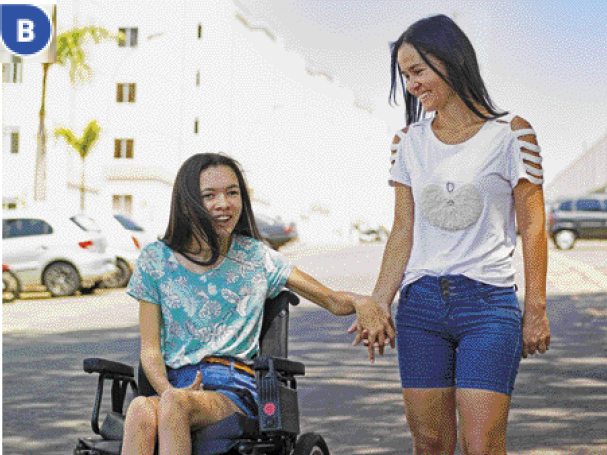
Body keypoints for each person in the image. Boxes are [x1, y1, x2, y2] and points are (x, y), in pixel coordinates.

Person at [351, 14, 550, 455]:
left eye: (417, 71)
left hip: (488, 305)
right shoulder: (408, 141)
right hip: (420, 307)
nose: (411, 86)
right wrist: (379, 301)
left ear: (451, 60)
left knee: (481, 443)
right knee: (431, 443)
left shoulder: (512, 134)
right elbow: (403, 230)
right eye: (404, 76)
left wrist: (535, 307)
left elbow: (533, 226)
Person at [121, 152, 395, 455]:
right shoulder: (155, 260)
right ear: (187, 204)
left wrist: (363, 301)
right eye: (209, 195)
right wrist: (167, 389)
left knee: (172, 405)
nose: (223, 203)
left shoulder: (257, 258)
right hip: (176, 385)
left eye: (232, 193)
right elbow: (150, 349)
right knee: (140, 410)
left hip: (233, 388)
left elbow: (330, 299)